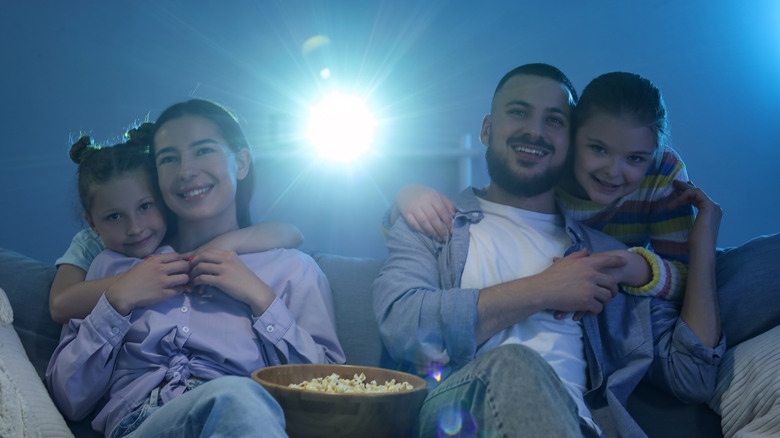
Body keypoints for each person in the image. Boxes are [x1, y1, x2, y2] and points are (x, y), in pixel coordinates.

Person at [372, 63, 724, 437]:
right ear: (487, 129)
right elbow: (402, 326)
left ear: (571, 143)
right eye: (518, 112)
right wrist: (545, 288)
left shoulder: (602, 257)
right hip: (458, 418)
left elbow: (692, 376)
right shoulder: (432, 222)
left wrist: (703, 245)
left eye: (554, 120)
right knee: (513, 365)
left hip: (579, 427)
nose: (535, 131)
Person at [391, 71, 779, 346]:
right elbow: (485, 213)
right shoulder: (547, 171)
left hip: (645, 274)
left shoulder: (661, 173)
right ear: (574, 138)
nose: (613, 171)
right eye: (598, 149)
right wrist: (404, 197)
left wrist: (637, 264)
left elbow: (687, 279)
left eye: (635, 158)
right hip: (598, 282)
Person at [47, 99, 345, 437]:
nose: (186, 171)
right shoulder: (111, 265)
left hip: (243, 419)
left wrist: (262, 300)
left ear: (241, 163)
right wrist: (116, 303)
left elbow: (332, 399)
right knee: (236, 397)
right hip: (141, 426)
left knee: (237, 398)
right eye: (169, 159)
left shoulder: (293, 268)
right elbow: (68, 401)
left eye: (204, 150)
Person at [49, 129, 305, 324]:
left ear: (162, 199)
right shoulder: (92, 242)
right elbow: (60, 305)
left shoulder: (174, 225)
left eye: (145, 206)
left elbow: (292, 233)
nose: (135, 229)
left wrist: (219, 246)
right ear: (93, 223)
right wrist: (135, 280)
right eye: (114, 216)